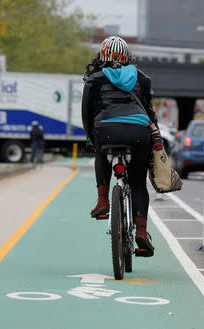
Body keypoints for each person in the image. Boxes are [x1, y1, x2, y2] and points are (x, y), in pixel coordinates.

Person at [81, 36, 158, 257]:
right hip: (139, 132)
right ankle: (141, 230)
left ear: (101, 56)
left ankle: (103, 200)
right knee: (138, 184)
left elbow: (87, 114)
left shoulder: (94, 79)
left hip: (105, 130)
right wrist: (155, 137)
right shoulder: (142, 79)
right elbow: (150, 113)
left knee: (99, 151)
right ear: (127, 57)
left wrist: (91, 138)